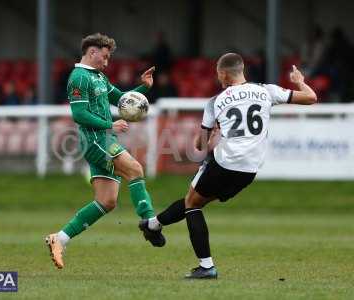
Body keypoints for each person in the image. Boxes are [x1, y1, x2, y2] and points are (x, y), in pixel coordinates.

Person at [139, 53, 317, 279]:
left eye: (217, 73)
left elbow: (200, 146)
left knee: (192, 204)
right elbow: (311, 98)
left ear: (223, 73)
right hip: (250, 169)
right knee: (193, 199)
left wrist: (212, 133)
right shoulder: (267, 90)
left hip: (226, 162)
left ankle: (206, 267)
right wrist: (299, 80)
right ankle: (152, 225)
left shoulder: (216, 101)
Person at [45, 33, 165, 269]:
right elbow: (79, 114)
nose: (107, 62)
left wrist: (144, 87)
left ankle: (59, 238)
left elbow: (121, 99)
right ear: (92, 52)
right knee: (135, 169)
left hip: (103, 138)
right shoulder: (79, 77)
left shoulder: (98, 76)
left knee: (106, 201)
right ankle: (150, 221)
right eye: (105, 56)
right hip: (95, 140)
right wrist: (109, 124)